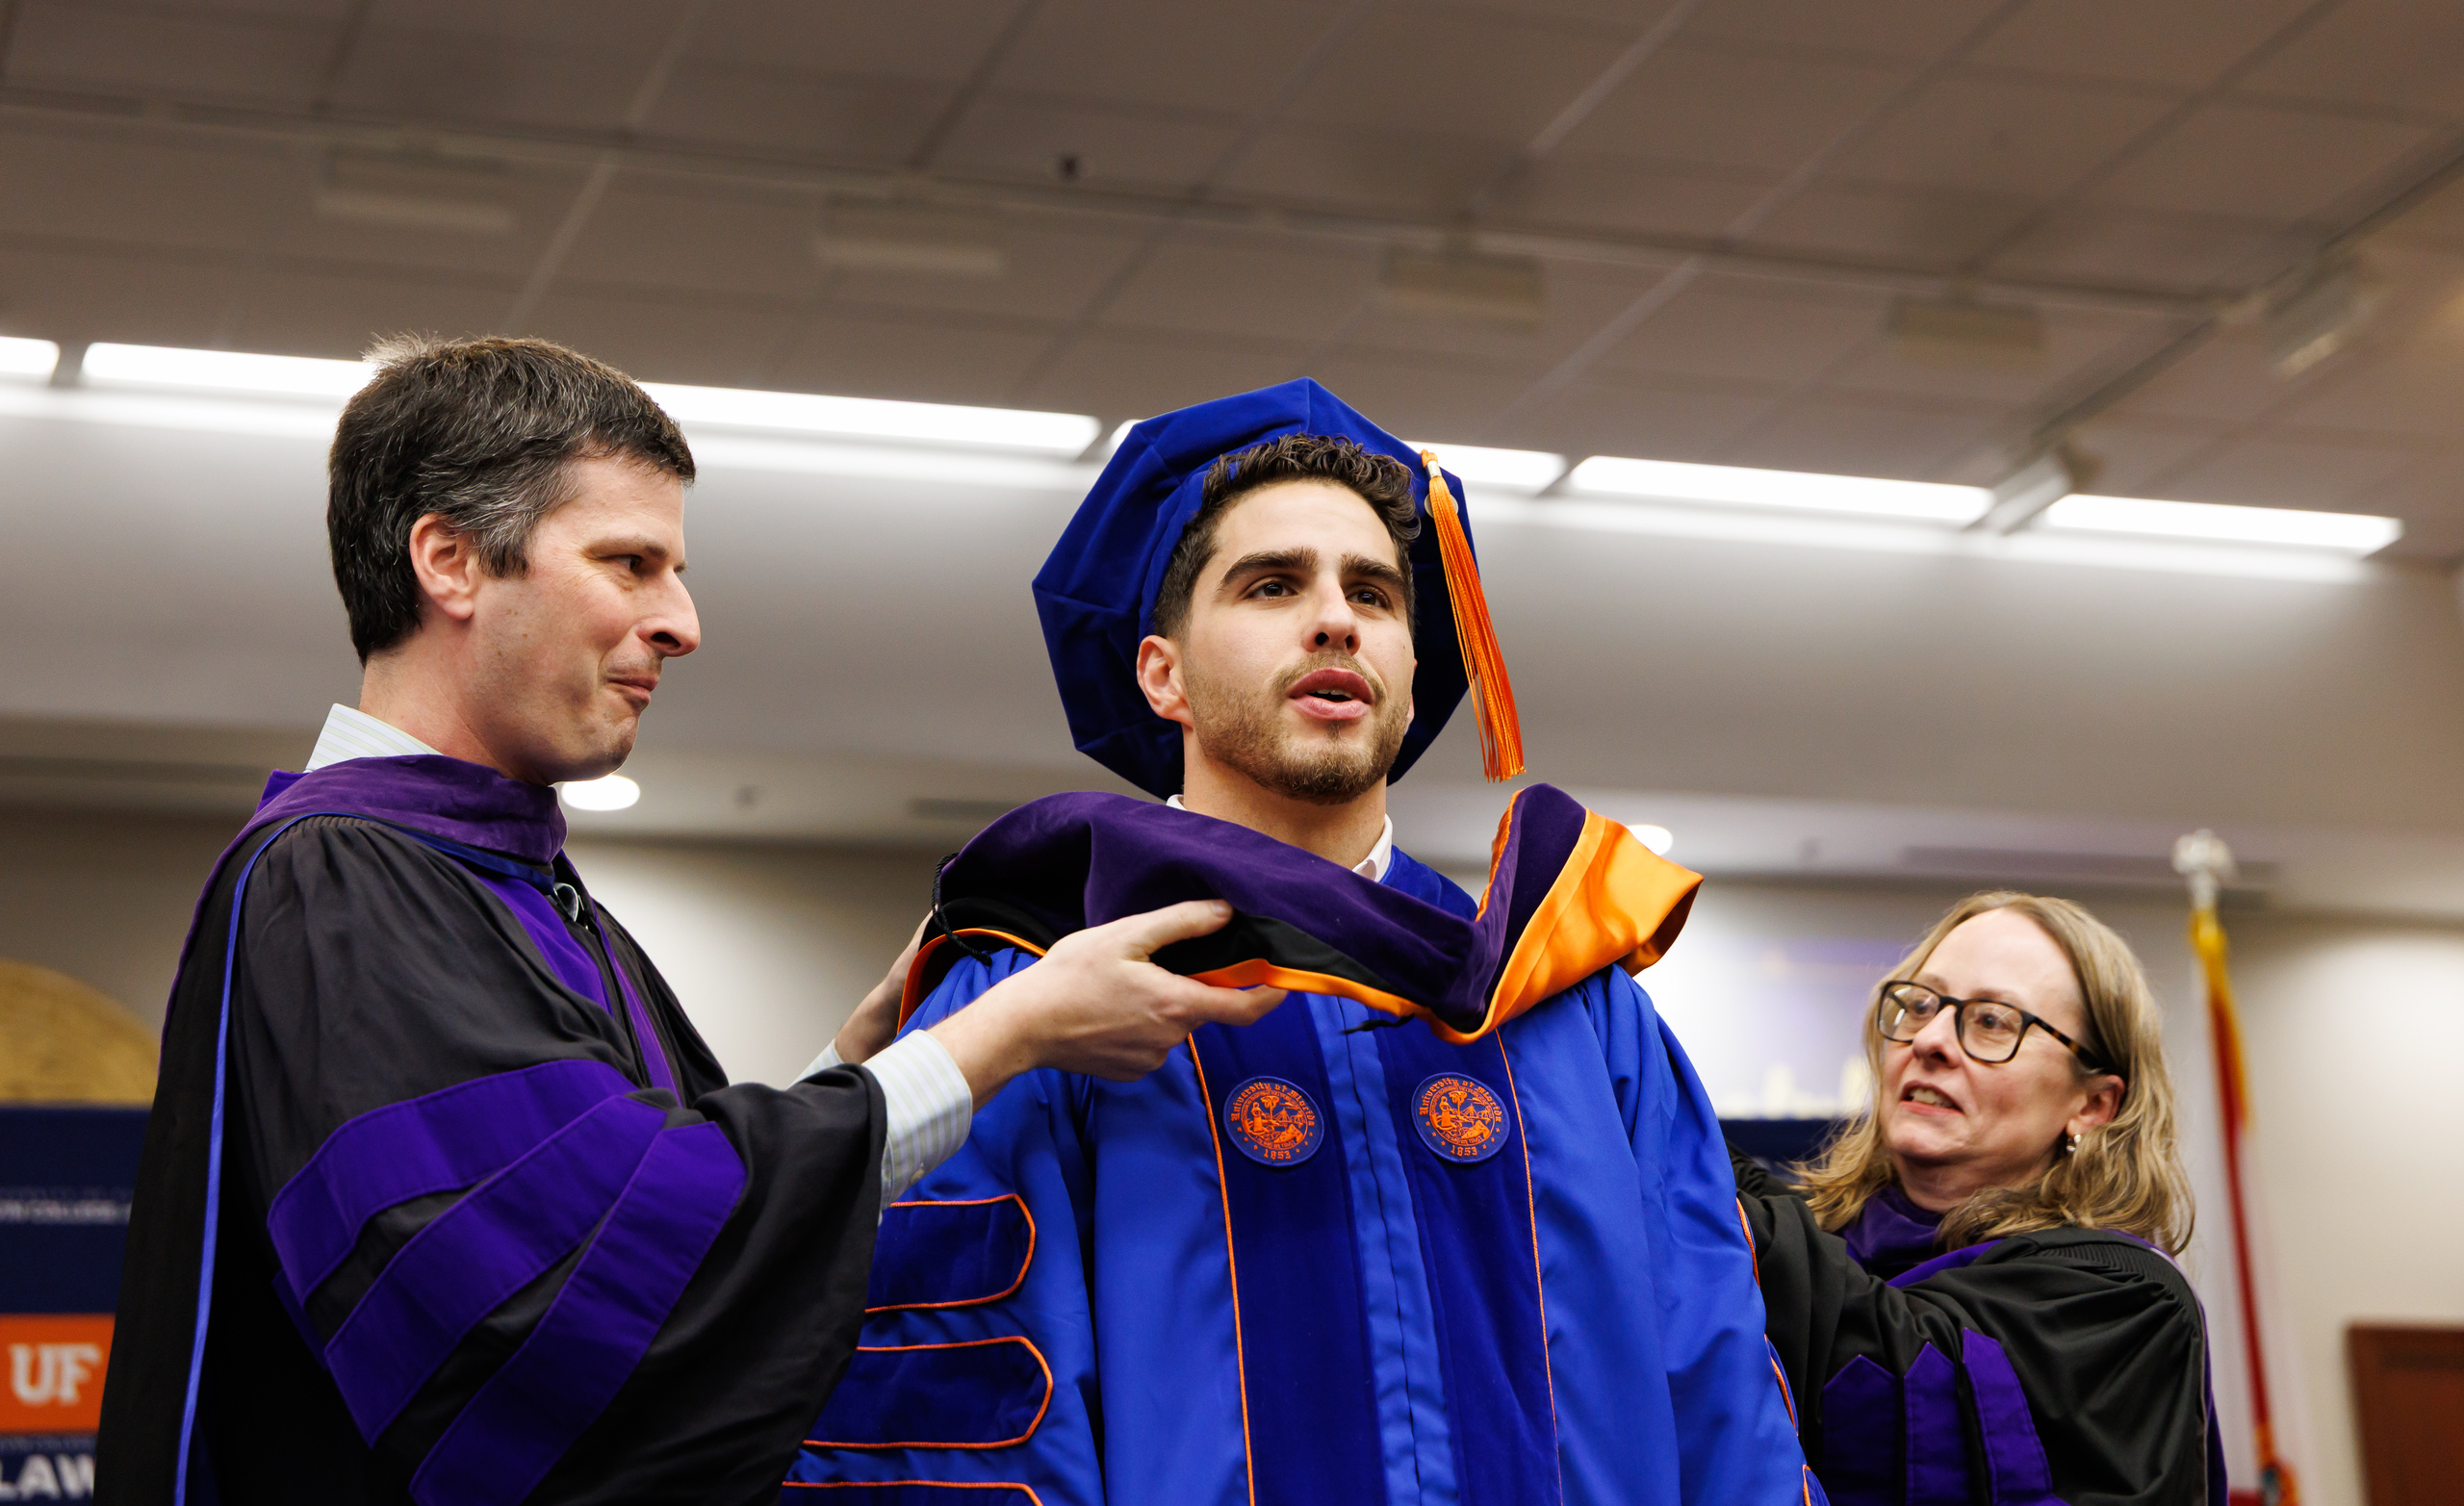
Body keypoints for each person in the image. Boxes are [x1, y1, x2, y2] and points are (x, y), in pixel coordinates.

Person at [94, 337, 1281, 1506]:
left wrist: (853, 1062)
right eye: (629, 563)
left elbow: (663, 1217)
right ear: (450, 563)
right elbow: (559, 1316)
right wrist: (998, 1039)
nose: (683, 622)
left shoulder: (505, 886)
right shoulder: (348, 882)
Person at [787, 379, 1820, 1506]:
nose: (1335, 618)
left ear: (1412, 671)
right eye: (1272, 585)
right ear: (1162, 674)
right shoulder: (1040, 990)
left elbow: (1717, 1381)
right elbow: (957, 1415)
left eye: (1373, 594)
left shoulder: (1569, 998)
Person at [1732, 892, 2217, 1506]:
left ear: (2092, 1106)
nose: (1930, 1039)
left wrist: (1661, 1114)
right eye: (1919, 1004)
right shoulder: (1819, 1239)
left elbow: (1892, 1369)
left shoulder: (2126, 1300)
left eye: (1993, 1021)